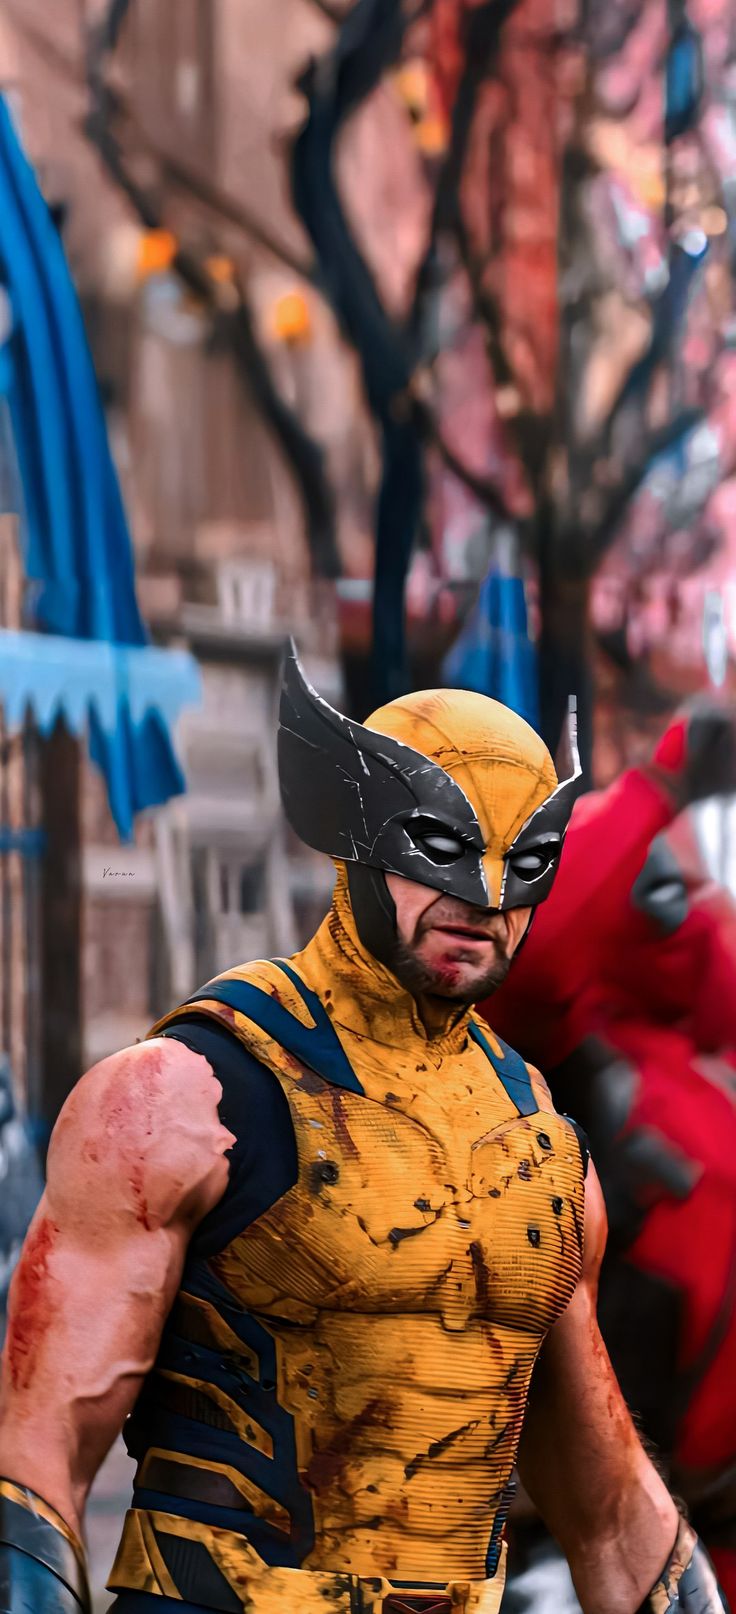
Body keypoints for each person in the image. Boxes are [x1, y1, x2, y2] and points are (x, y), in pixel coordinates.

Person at [0, 648, 726, 1614]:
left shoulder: (544, 1153)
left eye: (527, 861)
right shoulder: (186, 1099)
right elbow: (32, 1471)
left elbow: (610, 1511)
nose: (485, 897)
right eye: (442, 847)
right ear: (356, 827)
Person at [488, 704, 736, 1608]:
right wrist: (656, 791)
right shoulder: (554, 1023)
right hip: (598, 1537)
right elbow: (542, 941)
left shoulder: (694, 1049)